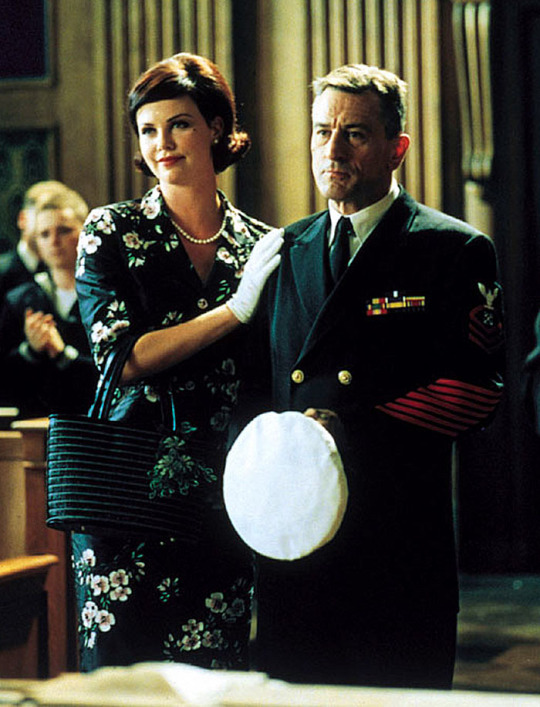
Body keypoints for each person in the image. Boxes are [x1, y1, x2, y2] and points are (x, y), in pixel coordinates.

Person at [244, 64, 504, 689]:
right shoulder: (284, 250)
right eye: (321, 131)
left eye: (354, 134)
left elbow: (476, 392)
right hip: (294, 544)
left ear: (397, 148)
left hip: (397, 549)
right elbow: (253, 390)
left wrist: (349, 427)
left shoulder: (451, 248)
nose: (332, 150)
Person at [72, 52, 282, 672]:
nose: (161, 143)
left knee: (216, 683)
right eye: (148, 130)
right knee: (121, 688)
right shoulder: (111, 230)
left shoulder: (259, 244)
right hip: (125, 497)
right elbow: (122, 358)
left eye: (179, 124)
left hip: (225, 496)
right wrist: (233, 311)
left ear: (215, 128)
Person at [0, 185, 97, 418]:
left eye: (64, 230)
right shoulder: (20, 300)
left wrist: (64, 355)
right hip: (34, 425)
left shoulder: (105, 296)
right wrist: (30, 351)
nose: (54, 241)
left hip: (95, 424)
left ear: (84, 232)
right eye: (44, 234)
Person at [0, 180, 69, 302]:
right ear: (22, 219)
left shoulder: (67, 271)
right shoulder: (3, 272)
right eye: (42, 211)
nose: (50, 221)